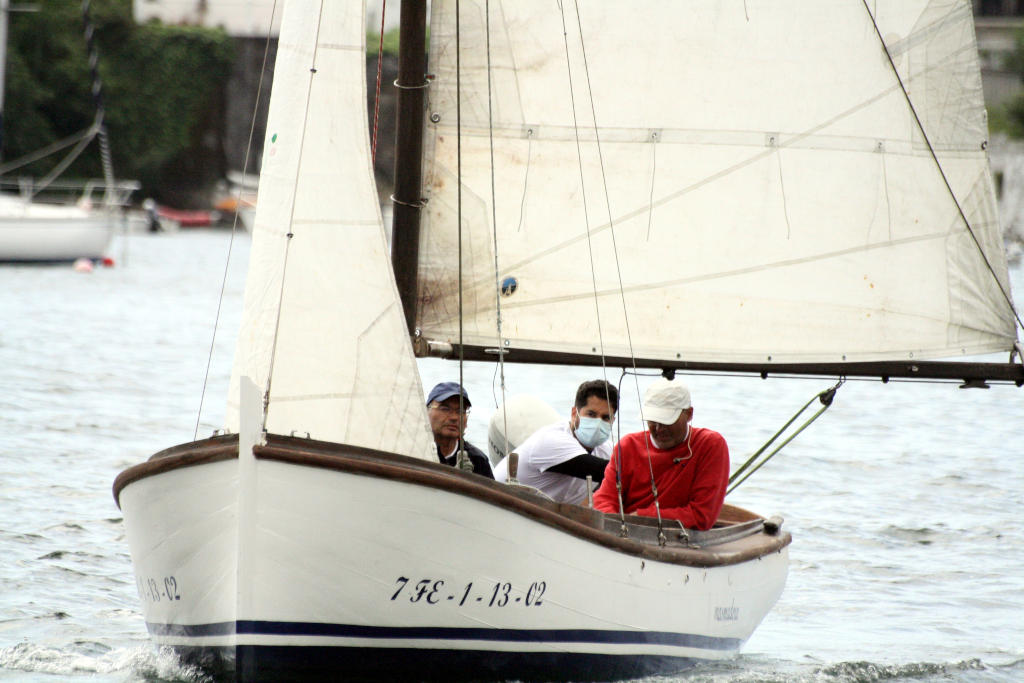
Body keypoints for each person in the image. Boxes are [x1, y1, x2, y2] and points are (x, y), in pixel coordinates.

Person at [592, 378, 728, 530]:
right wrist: (613, 525)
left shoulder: (710, 444)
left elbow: (701, 516)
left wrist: (642, 518)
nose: (658, 428)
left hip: (678, 538)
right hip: (626, 532)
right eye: (653, 420)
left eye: (667, 421)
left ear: (689, 414)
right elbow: (604, 499)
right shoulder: (628, 445)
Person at [493, 380, 618, 504]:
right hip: (499, 505)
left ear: (613, 420)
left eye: (605, 418)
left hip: (545, 515)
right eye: (591, 414)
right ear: (574, 413)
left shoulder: (606, 450)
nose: (598, 423)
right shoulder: (552, 440)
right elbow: (601, 470)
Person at [426, 382, 494, 479]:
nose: (454, 417)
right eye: (445, 409)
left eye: (461, 411)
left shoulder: (477, 460)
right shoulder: (413, 452)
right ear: (426, 411)